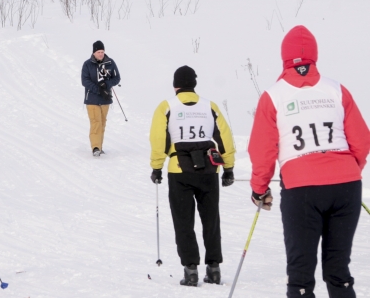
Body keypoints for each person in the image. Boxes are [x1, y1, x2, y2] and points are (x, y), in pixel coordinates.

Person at [248, 26, 370, 298]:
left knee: (301, 274)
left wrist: (259, 188)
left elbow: (263, 150)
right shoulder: (337, 89)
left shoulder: (273, 96)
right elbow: (361, 140)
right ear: (314, 55)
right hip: (346, 187)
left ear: (284, 58)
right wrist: (348, 170)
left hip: (301, 188)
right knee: (338, 270)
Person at [149, 65, 236, 286]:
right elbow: (225, 137)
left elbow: (159, 139)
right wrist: (228, 168)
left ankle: (190, 270)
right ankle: (214, 269)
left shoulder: (167, 107)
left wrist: (157, 167)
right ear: (194, 84)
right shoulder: (210, 106)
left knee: (184, 222)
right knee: (211, 220)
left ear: (175, 85)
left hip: (180, 171)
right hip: (209, 170)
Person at [80, 41, 121, 156]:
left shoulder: (110, 63)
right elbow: (85, 81)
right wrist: (99, 89)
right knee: (96, 122)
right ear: (94, 53)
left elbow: (117, 78)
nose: (101, 54)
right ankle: (95, 147)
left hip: (105, 99)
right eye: (98, 52)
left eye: (102, 52)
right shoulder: (87, 64)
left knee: (102, 123)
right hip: (92, 99)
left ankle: (100, 146)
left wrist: (106, 85)